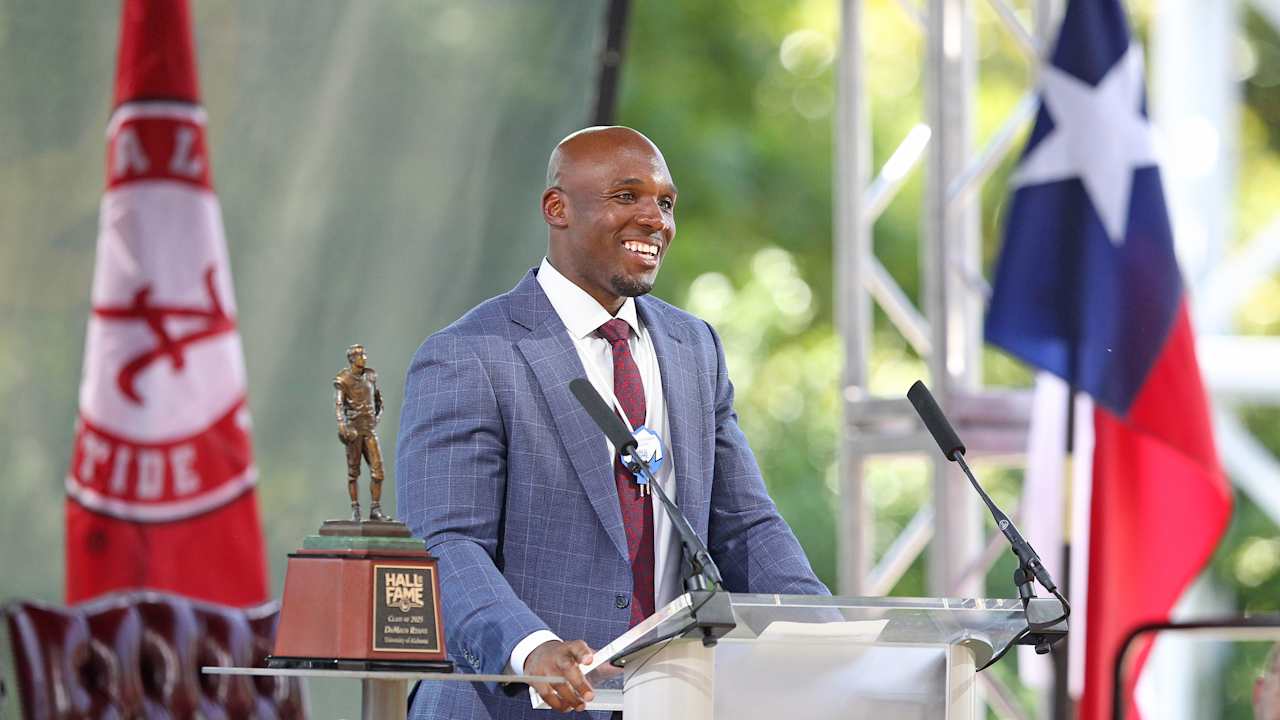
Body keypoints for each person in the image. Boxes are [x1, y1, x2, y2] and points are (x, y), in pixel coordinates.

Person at [397, 126, 828, 719]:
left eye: (666, 203)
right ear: (558, 208)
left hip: (667, 700)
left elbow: (745, 525)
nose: (655, 219)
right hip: (511, 705)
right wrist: (530, 649)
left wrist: (823, 628)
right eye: (627, 196)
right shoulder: (473, 354)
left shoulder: (692, 346)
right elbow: (444, 545)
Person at [335, 343, 389, 521]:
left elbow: (379, 401)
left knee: (378, 471)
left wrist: (377, 418)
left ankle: (375, 509)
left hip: (370, 430)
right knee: (353, 472)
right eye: (360, 355)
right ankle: (355, 509)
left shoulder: (370, 376)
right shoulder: (343, 379)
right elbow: (339, 405)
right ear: (352, 359)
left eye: (364, 354)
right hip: (354, 431)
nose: (364, 358)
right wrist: (343, 425)